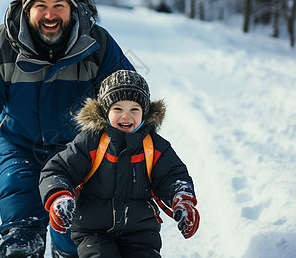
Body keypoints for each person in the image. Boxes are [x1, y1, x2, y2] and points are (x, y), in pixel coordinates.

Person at [0, 0, 134, 258]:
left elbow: (126, 102)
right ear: (27, 9)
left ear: (73, 8)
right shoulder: (1, 45)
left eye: (59, 5)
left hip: (79, 154)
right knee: (21, 236)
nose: (50, 14)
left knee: (74, 235)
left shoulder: (97, 46)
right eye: (41, 5)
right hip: (19, 146)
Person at [39, 70, 200, 257]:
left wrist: (182, 199)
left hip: (141, 233)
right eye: (118, 109)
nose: (126, 116)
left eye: (134, 110)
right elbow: (58, 170)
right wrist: (59, 197)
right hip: (94, 231)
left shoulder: (154, 146)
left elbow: (172, 176)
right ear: (105, 111)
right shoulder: (91, 142)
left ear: (145, 113)